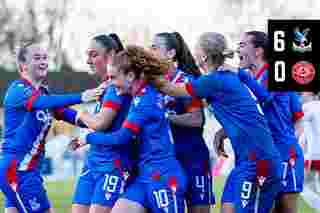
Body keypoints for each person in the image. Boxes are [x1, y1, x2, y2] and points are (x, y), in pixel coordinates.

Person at [153, 32, 282, 213]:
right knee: (227, 208)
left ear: (204, 56)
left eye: (196, 48)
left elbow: (171, 89)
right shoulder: (225, 77)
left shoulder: (212, 80)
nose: (193, 52)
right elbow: (247, 112)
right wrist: (224, 131)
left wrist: (145, 69)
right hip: (246, 162)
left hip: (259, 162)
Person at [70, 45, 187, 213]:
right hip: (143, 177)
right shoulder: (137, 94)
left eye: (113, 77)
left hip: (163, 176)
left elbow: (121, 137)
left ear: (131, 76)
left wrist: (87, 138)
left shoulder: (145, 100)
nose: (110, 83)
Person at [0, 41, 104, 213]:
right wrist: (82, 96)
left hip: (27, 172)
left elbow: (70, 115)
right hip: (18, 171)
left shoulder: (44, 94)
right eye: (37, 58)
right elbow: (41, 103)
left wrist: (102, 118)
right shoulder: (18, 89)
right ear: (23, 66)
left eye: (45, 58)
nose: (43, 61)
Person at [236, 31, 304, 213]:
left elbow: (296, 116)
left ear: (258, 51)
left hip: (283, 152)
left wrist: (288, 144)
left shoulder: (276, 72)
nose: (237, 49)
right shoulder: (248, 78)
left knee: (286, 208)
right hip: (263, 153)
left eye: (242, 45)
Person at [150, 32, 214, 213]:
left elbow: (196, 119)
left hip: (192, 157)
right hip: (165, 160)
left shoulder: (186, 81)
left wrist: (165, 118)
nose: (150, 51)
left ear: (170, 53)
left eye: (155, 48)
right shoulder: (150, 84)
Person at [71, 33, 134, 213]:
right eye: (87, 55)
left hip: (113, 163)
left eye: (93, 55)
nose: (88, 61)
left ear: (111, 55)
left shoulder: (116, 87)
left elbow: (100, 124)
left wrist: (82, 114)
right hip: (93, 160)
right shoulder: (105, 87)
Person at [300, 92, 320, 193]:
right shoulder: (308, 106)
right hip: (312, 152)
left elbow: (302, 128)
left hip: (312, 153)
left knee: (301, 181)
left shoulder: (307, 107)